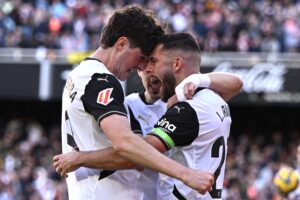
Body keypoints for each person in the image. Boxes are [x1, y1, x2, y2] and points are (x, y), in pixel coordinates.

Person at [54, 31, 242, 199]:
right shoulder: (126, 107)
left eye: (153, 61)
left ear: (176, 64)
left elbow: (132, 155)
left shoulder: (185, 105)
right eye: (143, 64)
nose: (148, 69)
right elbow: (235, 84)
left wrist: (80, 158)